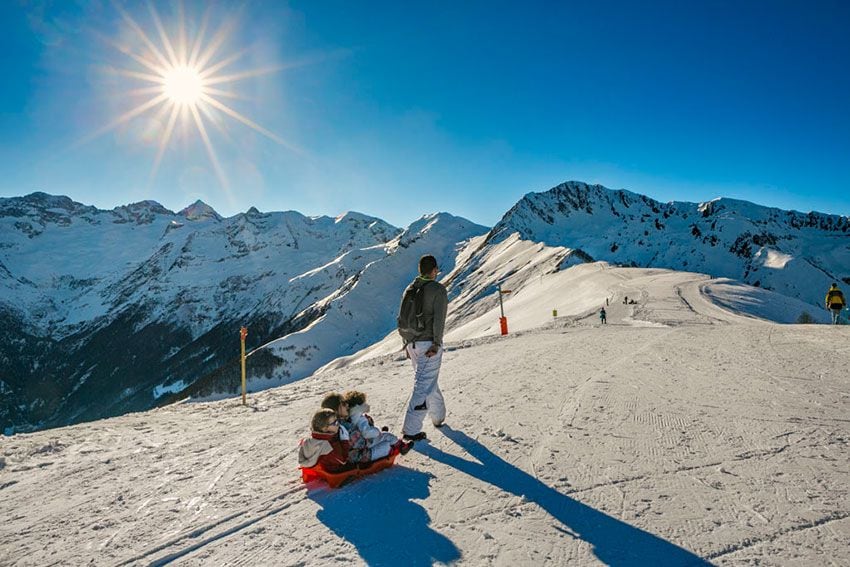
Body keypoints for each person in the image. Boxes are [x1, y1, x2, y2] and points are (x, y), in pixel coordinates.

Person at [400, 254, 448, 442]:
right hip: (429, 343)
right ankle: (411, 430)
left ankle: (438, 417)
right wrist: (436, 343)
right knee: (423, 385)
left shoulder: (410, 288)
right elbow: (439, 319)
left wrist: (405, 342)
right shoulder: (437, 289)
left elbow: (403, 317)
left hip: (412, 343)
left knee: (427, 381)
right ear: (434, 270)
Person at [297, 408, 353, 473]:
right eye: (335, 423)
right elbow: (343, 461)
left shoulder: (310, 440)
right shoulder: (329, 445)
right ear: (324, 428)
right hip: (335, 469)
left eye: (337, 421)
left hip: (321, 466)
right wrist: (345, 440)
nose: (338, 424)